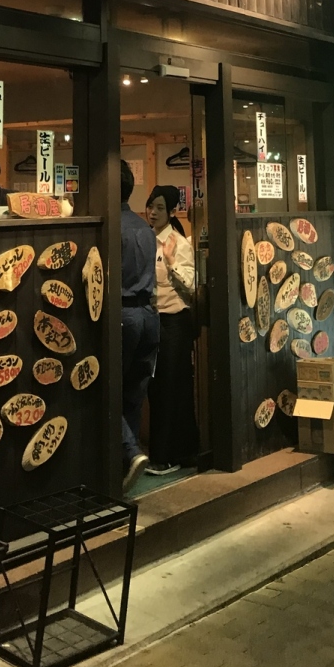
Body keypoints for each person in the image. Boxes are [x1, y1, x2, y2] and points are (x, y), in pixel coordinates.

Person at [144, 185, 199, 475]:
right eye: (150, 206)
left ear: (172, 211)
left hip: (174, 322)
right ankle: (171, 452)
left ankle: (167, 456)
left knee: (170, 388)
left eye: (160, 208)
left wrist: (170, 261)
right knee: (155, 388)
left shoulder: (179, 243)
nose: (153, 212)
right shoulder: (145, 238)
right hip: (151, 320)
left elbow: (191, 285)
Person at [120, 158, 159, 493]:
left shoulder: (112, 227)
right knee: (134, 393)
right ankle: (128, 469)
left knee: (106, 388)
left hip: (124, 315)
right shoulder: (145, 228)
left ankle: (130, 452)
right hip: (149, 315)